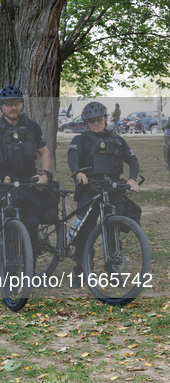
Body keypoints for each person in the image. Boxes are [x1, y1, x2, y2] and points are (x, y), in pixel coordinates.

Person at [0, 85, 51, 270]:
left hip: (29, 184)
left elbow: (44, 153)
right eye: (8, 104)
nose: (13, 108)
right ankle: (10, 265)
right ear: (1, 107)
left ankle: (28, 267)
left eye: (16, 103)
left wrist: (44, 175)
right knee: (9, 218)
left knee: (31, 226)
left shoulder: (32, 126)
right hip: (4, 184)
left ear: (21, 104)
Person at [67, 101, 140, 287]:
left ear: (106, 118)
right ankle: (81, 271)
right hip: (90, 189)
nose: (96, 123)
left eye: (99, 119)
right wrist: (77, 173)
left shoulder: (117, 140)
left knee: (112, 230)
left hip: (113, 189)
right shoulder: (80, 140)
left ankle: (114, 271)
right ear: (86, 123)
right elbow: (72, 157)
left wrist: (132, 179)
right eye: (91, 121)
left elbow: (132, 160)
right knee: (84, 232)